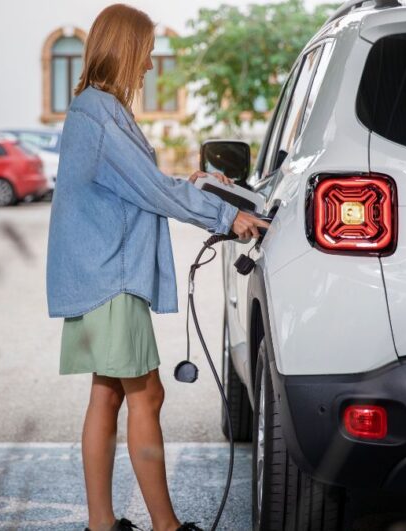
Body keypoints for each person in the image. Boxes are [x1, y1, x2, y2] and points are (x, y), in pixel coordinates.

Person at [45, 4, 270, 531]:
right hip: (111, 280)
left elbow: (135, 183)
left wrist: (190, 186)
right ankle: (166, 528)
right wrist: (225, 214)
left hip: (100, 276)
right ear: (125, 49)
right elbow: (149, 191)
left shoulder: (94, 109)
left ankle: (102, 525)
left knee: (108, 393)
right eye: (145, 52)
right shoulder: (100, 114)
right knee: (146, 393)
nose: (148, 64)